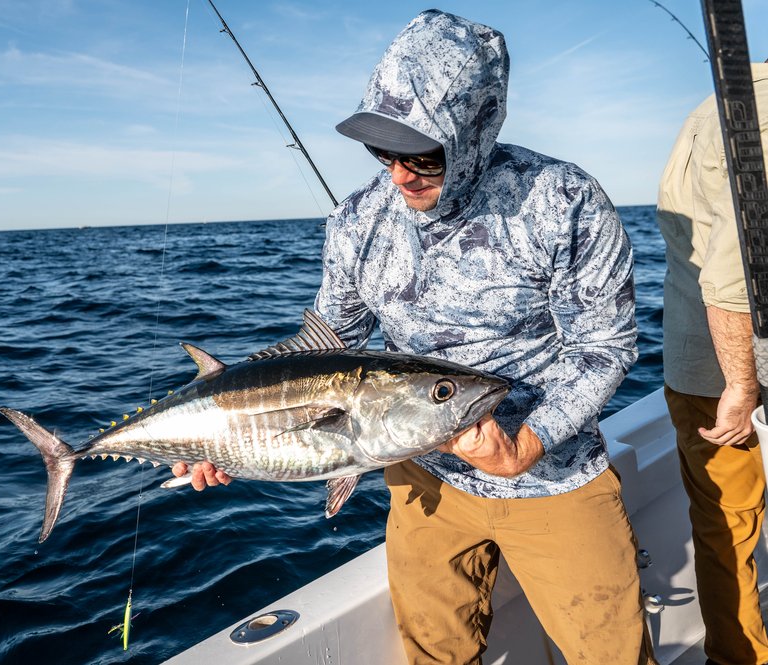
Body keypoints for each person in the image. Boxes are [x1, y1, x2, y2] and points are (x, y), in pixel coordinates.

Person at [175, 10, 655, 663]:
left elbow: (606, 342)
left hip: (552, 477)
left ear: (477, 129)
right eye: (383, 149)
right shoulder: (356, 221)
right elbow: (327, 351)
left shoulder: (560, 200)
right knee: (434, 655)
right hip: (422, 478)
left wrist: (525, 445)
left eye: (424, 154)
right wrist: (231, 436)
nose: (399, 174)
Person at [657, 59, 768, 665]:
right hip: (732, 377)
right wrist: (741, 387)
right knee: (731, 528)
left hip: (702, 362)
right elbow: (730, 275)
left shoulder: (713, 105)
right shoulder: (757, 114)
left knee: (727, 530)